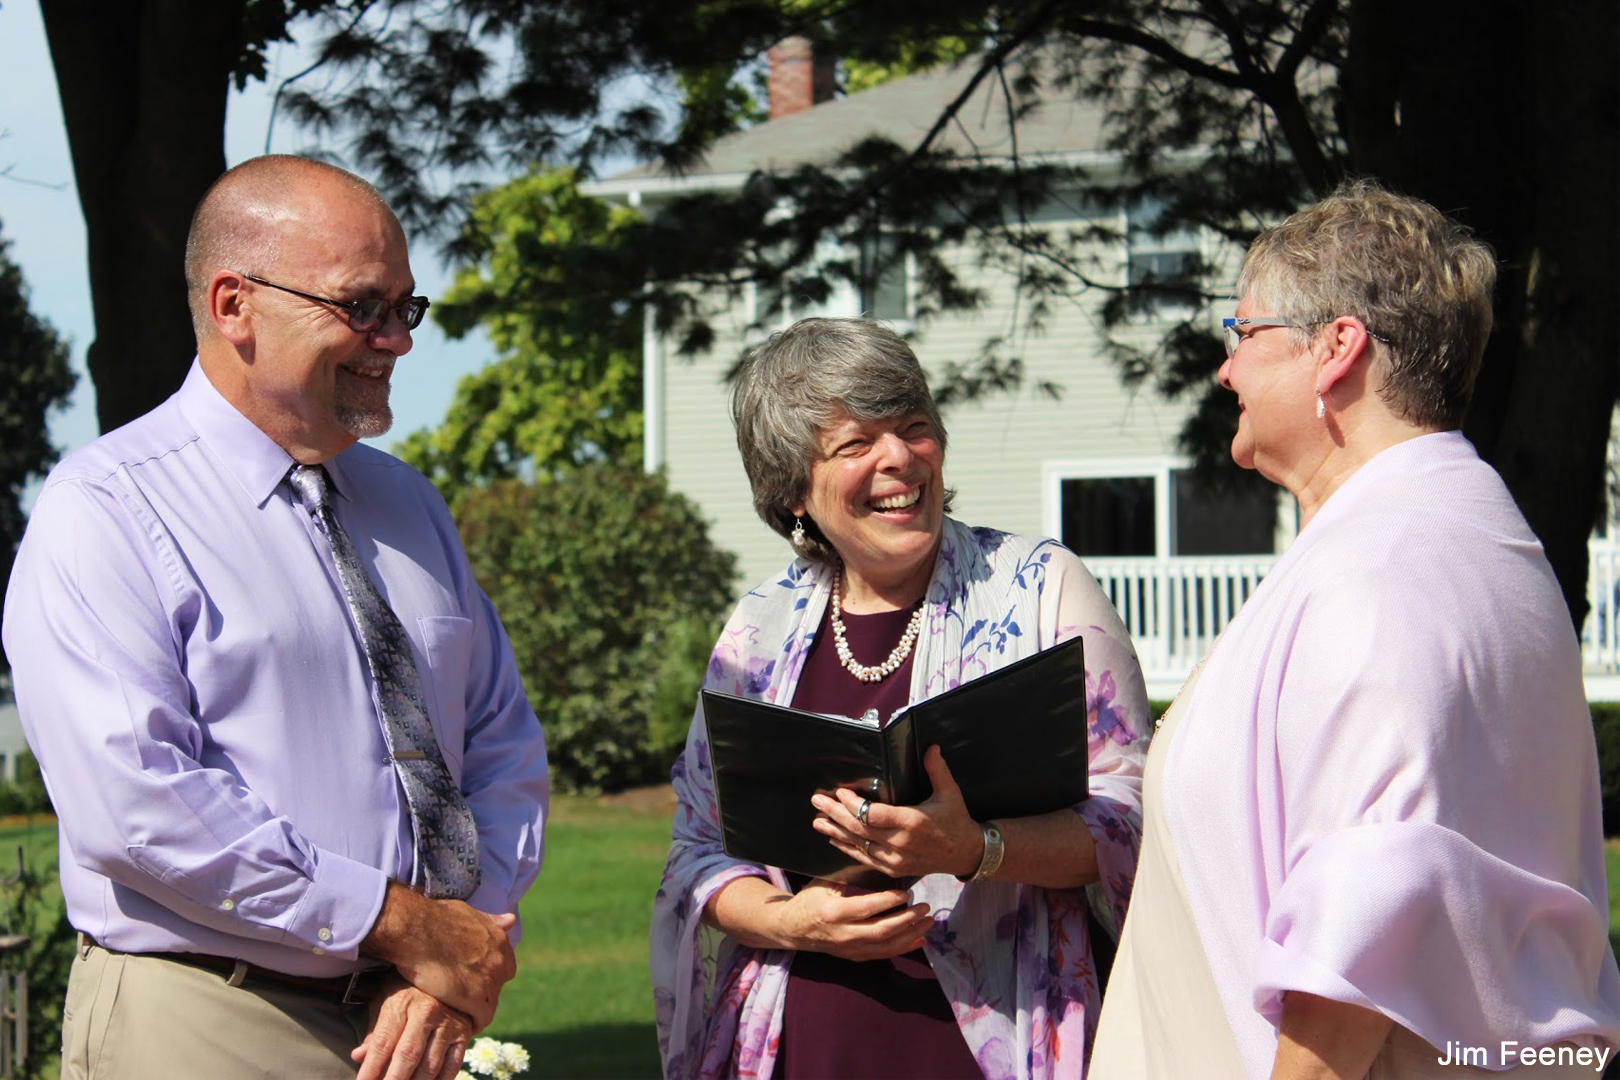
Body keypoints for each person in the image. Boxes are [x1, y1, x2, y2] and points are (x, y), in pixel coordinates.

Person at [1, 155, 549, 1080]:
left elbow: (501, 747)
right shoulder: (105, 508)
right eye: (361, 306)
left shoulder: (410, 507)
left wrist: (456, 949)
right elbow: (135, 804)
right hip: (213, 1016)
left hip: (411, 1017)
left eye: (404, 307)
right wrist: (395, 921)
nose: (396, 342)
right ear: (234, 305)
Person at [1089, 181, 1620, 1079]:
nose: (1226, 369)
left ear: (1337, 348)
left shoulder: (1388, 569)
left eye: (1244, 332)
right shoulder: (1442, 536)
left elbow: (1360, 939)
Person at [650, 317, 1150, 1079]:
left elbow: (1134, 820)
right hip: (806, 1047)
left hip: (991, 1044)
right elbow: (696, 854)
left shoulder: (1042, 589)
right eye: (856, 443)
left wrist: (976, 849)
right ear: (793, 491)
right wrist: (793, 921)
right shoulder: (758, 629)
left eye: (914, 427)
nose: (900, 458)